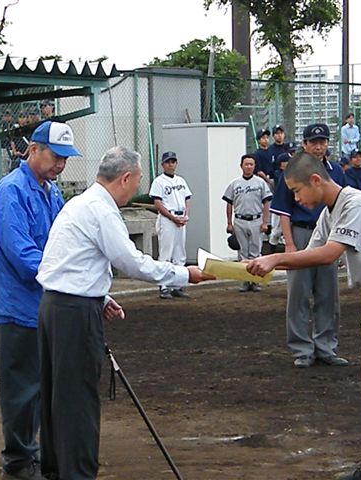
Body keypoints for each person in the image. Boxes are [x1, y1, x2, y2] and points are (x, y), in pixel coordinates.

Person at [36, 146, 212, 480]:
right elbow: (130, 262)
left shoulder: (80, 204)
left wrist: (100, 298)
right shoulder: (100, 210)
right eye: (138, 181)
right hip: (72, 312)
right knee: (77, 399)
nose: (138, 189)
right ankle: (77, 474)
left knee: (57, 396)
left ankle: (57, 471)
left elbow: (67, 262)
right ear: (126, 177)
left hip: (55, 307)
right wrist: (184, 274)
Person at [247, 152, 361, 480]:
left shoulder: (355, 203)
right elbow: (312, 256)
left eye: (298, 191)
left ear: (316, 180)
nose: (297, 198)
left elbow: (329, 253)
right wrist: (268, 261)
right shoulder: (331, 212)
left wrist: (274, 262)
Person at [0, 121, 80, 480]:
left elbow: (63, 240)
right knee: (21, 388)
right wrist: (64, 277)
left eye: (65, 159)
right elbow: (22, 253)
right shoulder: (11, 191)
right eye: (56, 157)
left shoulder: (51, 192)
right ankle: (17, 460)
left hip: (45, 302)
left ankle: (31, 453)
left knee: (41, 386)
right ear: (35, 150)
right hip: (20, 306)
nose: (60, 165)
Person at [270, 123, 347, 368]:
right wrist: (289, 244)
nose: (318, 146)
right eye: (313, 142)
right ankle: (302, 348)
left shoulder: (336, 171)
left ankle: (326, 346)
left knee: (328, 293)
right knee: (299, 294)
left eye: (322, 141)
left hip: (329, 235)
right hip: (302, 232)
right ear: (304, 145)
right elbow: (283, 210)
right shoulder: (295, 171)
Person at [223, 153, 272, 292]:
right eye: (246, 164)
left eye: (251, 164)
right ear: (241, 166)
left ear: (254, 166)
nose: (249, 166)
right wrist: (229, 223)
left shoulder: (260, 183)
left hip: (256, 219)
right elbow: (229, 203)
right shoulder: (235, 184)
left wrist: (265, 222)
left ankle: (255, 281)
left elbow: (266, 203)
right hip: (240, 220)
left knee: (255, 253)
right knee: (243, 253)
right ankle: (245, 281)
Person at [149, 151, 193, 299]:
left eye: (173, 161)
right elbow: (157, 203)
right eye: (168, 162)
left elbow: (187, 199)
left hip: (181, 218)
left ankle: (177, 286)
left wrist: (186, 215)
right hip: (168, 218)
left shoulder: (181, 180)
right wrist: (172, 217)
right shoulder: (159, 181)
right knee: (166, 253)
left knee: (180, 254)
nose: (171, 164)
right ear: (163, 164)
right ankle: (164, 286)